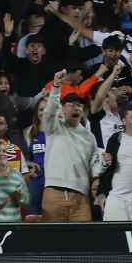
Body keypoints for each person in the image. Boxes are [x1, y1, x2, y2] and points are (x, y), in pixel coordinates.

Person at [42, 70, 105, 222]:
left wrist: (104, 163)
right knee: (53, 243)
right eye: (72, 105)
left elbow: (94, 167)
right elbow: (49, 112)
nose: (76, 108)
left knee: (82, 242)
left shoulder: (89, 137)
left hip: (81, 197)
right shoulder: (54, 127)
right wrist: (56, 86)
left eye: (79, 106)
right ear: (62, 109)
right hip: (54, 193)